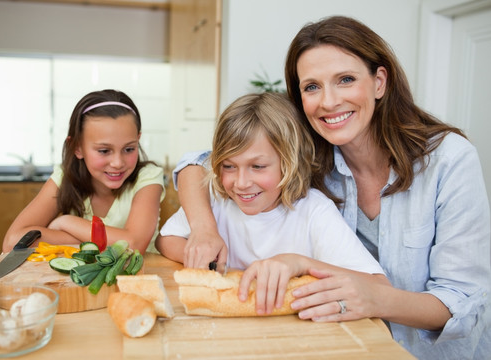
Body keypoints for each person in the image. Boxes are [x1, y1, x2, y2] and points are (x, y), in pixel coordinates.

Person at [171, 16, 491, 359]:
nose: (328, 101)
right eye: (312, 87)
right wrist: (204, 229)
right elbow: (200, 162)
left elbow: (462, 303)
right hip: (348, 347)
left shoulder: (448, 159)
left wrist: (365, 293)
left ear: (379, 82)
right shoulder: (308, 151)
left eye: (346, 80)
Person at [156, 92, 388, 315]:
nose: (241, 183)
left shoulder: (314, 211)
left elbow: (378, 286)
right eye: (229, 166)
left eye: (258, 167)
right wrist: (213, 259)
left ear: (289, 162)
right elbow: (164, 240)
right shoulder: (215, 200)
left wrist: (303, 265)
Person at [3, 89, 165, 254]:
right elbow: (13, 241)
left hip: (140, 278)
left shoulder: (148, 177)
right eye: (104, 151)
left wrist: (67, 223)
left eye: (129, 149)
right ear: (78, 147)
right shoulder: (64, 177)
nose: (117, 163)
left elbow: (133, 244)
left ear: (138, 139)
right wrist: (104, 241)